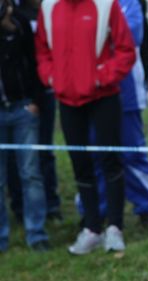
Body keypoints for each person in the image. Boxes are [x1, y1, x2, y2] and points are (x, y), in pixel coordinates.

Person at [36, 0, 135, 254]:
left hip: (104, 97)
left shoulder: (106, 5)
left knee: (111, 160)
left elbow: (126, 51)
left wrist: (101, 77)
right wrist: (52, 77)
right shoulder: (49, 6)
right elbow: (42, 51)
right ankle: (92, 228)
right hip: (67, 99)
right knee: (80, 163)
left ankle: (115, 227)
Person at [77, 0, 148, 228]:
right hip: (89, 90)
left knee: (132, 152)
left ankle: (146, 206)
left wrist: (93, 35)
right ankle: (95, 208)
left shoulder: (128, 3)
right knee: (94, 153)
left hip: (127, 90)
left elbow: (132, 35)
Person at [6, 0, 62, 224]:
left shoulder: (45, 11)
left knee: (43, 151)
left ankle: (51, 204)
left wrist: (38, 97)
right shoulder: (14, 16)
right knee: (13, 157)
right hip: (18, 98)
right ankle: (20, 206)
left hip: (41, 94)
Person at [0, 0, 49, 252]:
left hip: (23, 108)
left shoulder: (20, 25)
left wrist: (36, 101)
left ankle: (36, 234)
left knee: (30, 173)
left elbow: (34, 62)